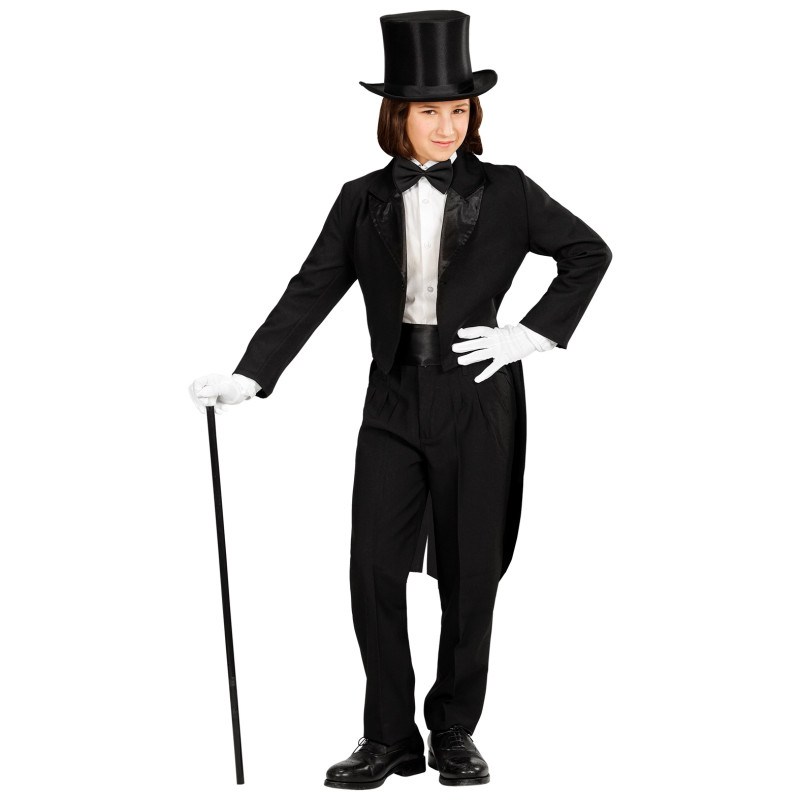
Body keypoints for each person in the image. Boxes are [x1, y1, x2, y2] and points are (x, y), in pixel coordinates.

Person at [189, 10, 612, 790]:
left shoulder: (509, 191)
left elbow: (589, 252)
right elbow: (311, 289)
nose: (448, 127)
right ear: (397, 116)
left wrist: (530, 334)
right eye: (430, 112)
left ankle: (453, 730)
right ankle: (388, 737)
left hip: (477, 399)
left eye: (460, 110)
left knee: (470, 573)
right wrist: (251, 375)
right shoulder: (360, 200)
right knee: (373, 571)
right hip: (390, 402)